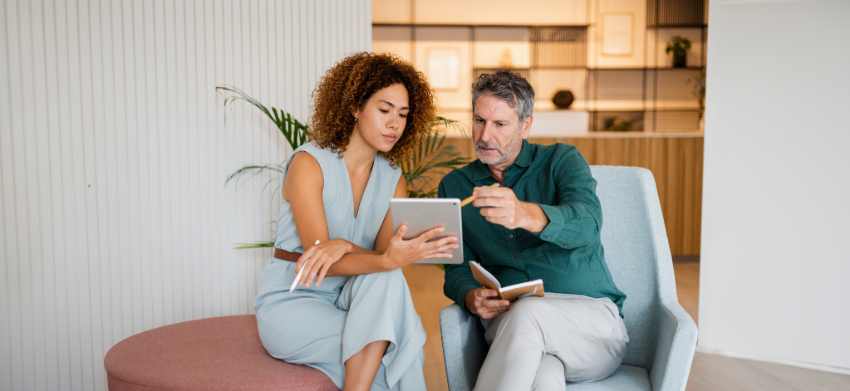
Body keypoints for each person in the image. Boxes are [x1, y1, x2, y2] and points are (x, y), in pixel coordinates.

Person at [254, 52, 459, 391]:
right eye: (384, 110)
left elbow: (384, 260)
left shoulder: (394, 179)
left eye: (403, 115)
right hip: (295, 300)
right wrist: (365, 254)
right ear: (354, 107)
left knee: (388, 281)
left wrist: (347, 246)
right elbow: (321, 262)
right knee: (398, 350)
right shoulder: (309, 164)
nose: (395, 123)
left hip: (354, 300)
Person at [438, 70, 629, 391]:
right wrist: (469, 296)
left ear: (525, 125)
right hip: (512, 329)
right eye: (479, 120)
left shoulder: (561, 160)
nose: (485, 136)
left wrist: (526, 214)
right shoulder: (454, 186)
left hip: (590, 328)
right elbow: (456, 267)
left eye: (500, 125)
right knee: (544, 378)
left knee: (529, 313)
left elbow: (587, 224)